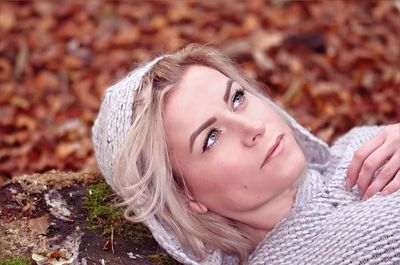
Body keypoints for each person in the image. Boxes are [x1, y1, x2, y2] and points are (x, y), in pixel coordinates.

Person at [91, 44, 400, 264]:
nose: (253, 127)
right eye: (211, 137)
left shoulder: (360, 145)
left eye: (237, 98)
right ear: (185, 196)